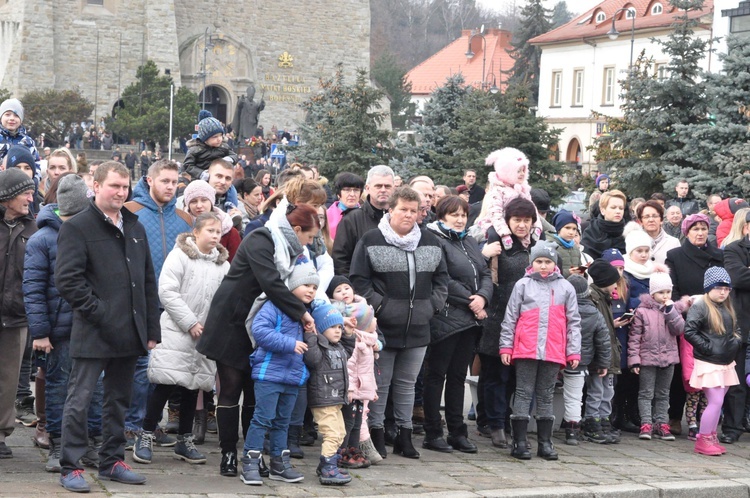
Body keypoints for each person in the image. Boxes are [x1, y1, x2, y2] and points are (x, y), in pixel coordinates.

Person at [55, 161, 161, 492]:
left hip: (130, 331)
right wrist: (99, 312)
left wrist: (152, 328)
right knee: (81, 398)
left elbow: (147, 280)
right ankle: (70, 465)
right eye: (114, 186)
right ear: (96, 186)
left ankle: (112, 460)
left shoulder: (135, 226)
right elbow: (68, 281)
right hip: (94, 330)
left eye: (125, 187)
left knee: (119, 400)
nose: (120, 192)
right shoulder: (78, 227)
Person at [196, 201, 319, 478]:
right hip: (233, 320)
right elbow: (271, 282)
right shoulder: (262, 238)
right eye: (309, 237)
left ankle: (252, 455)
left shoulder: (291, 250)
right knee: (230, 387)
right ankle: (228, 453)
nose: (309, 244)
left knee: (256, 390)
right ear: (296, 229)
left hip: (261, 323)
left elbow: (301, 282)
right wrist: (301, 314)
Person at [350, 186, 449, 459]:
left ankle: (405, 437)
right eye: (402, 209)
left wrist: (432, 306)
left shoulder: (430, 241)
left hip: (419, 326)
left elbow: (442, 280)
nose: (408, 215)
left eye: (413, 210)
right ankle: (377, 434)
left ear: (420, 214)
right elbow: (359, 281)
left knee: (407, 383)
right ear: (390, 210)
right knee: (380, 385)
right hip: (383, 327)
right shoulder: (371, 240)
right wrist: (381, 306)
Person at [133, 212, 229, 466]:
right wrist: (190, 322)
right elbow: (167, 291)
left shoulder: (222, 264)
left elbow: (225, 299)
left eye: (219, 232)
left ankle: (184, 440)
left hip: (205, 336)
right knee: (165, 383)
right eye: (210, 231)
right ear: (196, 232)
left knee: (193, 387)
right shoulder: (180, 256)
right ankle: (145, 434)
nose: (215, 236)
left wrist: (214, 327)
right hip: (177, 331)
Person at [24, 174, 103, 472]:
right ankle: (57, 444)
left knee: (96, 387)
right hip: (58, 331)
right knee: (58, 388)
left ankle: (93, 442)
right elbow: (32, 290)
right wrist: (41, 332)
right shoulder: (42, 240)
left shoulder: (93, 233)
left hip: (91, 326)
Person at [239, 258, 318, 486]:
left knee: (283, 422)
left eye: (314, 287)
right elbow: (260, 331)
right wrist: (289, 343)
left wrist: (311, 332)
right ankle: (251, 464)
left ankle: (278, 464)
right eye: (306, 286)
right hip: (269, 374)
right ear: (291, 286)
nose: (311, 291)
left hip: (293, 376)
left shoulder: (308, 314)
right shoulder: (274, 306)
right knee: (262, 419)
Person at [422, 196, 492, 454]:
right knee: (436, 375)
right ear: (442, 217)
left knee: (458, 377)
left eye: (463, 214)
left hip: (470, 320)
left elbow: (484, 272)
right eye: (454, 215)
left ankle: (457, 432)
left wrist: (483, 296)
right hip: (446, 317)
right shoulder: (434, 240)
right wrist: (471, 300)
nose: (461, 219)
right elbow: (442, 278)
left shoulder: (470, 240)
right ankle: (433, 431)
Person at [500, 241, 581, 461]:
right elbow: (510, 318)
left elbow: (574, 322)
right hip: (526, 348)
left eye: (547, 262)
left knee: (546, 394)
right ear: (531, 263)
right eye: (538, 262)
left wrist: (573, 351)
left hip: (553, 349)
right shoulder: (522, 285)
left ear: (554, 263)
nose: (543, 266)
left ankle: (545, 443)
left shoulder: (565, 287)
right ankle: (520, 441)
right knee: (524, 392)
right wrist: (506, 346)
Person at [476, 198, 537, 448]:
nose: (522, 225)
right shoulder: (497, 244)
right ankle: (495, 423)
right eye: (517, 220)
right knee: (495, 375)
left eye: (527, 220)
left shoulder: (537, 247)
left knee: (514, 377)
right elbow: (479, 273)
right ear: (508, 221)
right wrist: (484, 254)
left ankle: (504, 419)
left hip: (526, 323)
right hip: (497, 319)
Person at [665, 213, 724, 439]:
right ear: (686, 232)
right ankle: (675, 416)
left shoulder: (717, 255)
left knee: (708, 371)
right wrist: (685, 304)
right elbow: (673, 288)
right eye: (695, 229)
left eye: (703, 229)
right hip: (687, 319)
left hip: (713, 320)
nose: (700, 233)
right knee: (684, 371)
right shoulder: (676, 256)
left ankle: (703, 419)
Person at [0, 168, 37, 459]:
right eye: (25, 192)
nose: (30, 197)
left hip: (16, 316)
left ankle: (0, 434)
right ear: (8, 197)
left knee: (9, 379)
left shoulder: (32, 228)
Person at [684, 267, 740, 455]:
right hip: (709, 361)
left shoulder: (727, 306)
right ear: (709, 288)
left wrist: (735, 342)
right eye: (719, 288)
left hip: (725, 360)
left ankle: (711, 435)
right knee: (715, 401)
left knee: (719, 401)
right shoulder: (700, 306)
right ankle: (703, 438)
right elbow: (689, 331)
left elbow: (735, 328)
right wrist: (708, 348)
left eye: (727, 288)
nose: (723, 292)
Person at [628, 271, 689, 441]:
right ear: (652, 293)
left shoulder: (674, 310)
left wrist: (670, 310)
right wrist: (634, 360)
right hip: (648, 358)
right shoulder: (642, 311)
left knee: (663, 393)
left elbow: (679, 329)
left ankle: (662, 423)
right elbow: (634, 337)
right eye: (661, 292)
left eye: (668, 292)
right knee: (646, 393)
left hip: (668, 359)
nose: (665, 296)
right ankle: (646, 423)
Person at [327, 276, 381, 466]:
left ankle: (354, 451)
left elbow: (368, 367)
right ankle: (342, 453)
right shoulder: (337, 320)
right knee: (347, 422)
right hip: (350, 387)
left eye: (347, 288)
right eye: (338, 290)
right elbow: (349, 364)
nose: (344, 293)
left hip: (362, 386)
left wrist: (371, 390)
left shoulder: (364, 311)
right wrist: (348, 388)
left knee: (358, 421)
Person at [304, 303, 353, 485]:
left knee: (340, 432)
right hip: (323, 400)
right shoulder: (319, 345)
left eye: (339, 327)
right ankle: (328, 468)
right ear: (322, 327)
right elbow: (312, 359)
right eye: (333, 327)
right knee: (332, 434)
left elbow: (348, 352)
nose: (338, 331)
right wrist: (311, 335)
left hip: (335, 399)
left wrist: (349, 334)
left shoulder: (338, 347)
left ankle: (327, 463)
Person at [561, 276, 611, 446]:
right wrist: (604, 364)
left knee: (543, 393)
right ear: (587, 292)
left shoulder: (560, 308)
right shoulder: (595, 313)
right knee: (574, 397)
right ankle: (572, 431)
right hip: (580, 361)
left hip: (555, 357)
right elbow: (603, 341)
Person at [584, 259, 626, 445]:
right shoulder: (593, 298)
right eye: (614, 282)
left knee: (607, 391)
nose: (616, 285)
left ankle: (604, 420)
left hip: (608, 353)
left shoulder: (604, 299)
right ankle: (592, 423)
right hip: (599, 355)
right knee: (596, 391)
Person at [474, 148, 542, 250]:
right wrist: (504, 233)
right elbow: (495, 213)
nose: (522, 174)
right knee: (493, 234)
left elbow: (532, 210)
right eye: (518, 171)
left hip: (515, 223)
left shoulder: (522, 189)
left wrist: (537, 226)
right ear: (507, 171)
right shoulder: (497, 191)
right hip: (496, 224)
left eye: (524, 170)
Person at [333, 165, 394, 276]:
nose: (383, 190)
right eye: (378, 186)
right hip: (362, 289)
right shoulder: (351, 220)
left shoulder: (400, 218)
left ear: (394, 188)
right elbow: (340, 261)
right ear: (367, 188)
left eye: (387, 186)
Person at [183, 112, 238, 181]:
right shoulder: (195, 150)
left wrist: (230, 159)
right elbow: (188, 165)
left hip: (221, 179)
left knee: (232, 191)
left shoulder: (224, 146)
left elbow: (234, 155)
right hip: (202, 181)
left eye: (221, 135)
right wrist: (201, 173)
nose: (219, 139)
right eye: (215, 137)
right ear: (205, 139)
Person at [0, 98, 41, 181]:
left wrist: (35, 181)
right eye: (7, 114)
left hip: (24, 184)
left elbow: (36, 163)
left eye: (16, 115)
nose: (12, 118)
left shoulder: (28, 141)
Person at [581, 190, 627, 258]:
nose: (618, 211)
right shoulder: (591, 232)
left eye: (621, 208)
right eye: (613, 207)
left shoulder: (628, 234)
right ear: (603, 210)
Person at [633, 200, 680, 265]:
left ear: (661, 220)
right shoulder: (634, 241)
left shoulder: (674, 243)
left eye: (655, 216)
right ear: (641, 221)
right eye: (646, 217)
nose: (651, 220)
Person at [327, 172, 364, 240]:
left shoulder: (366, 214)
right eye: (347, 190)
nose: (352, 194)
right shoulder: (327, 216)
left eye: (356, 190)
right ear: (338, 193)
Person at [551, 209, 582, 277]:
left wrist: (582, 273)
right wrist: (567, 272)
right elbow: (548, 271)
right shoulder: (551, 247)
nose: (571, 232)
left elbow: (579, 265)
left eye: (574, 229)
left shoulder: (575, 248)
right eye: (567, 228)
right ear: (559, 229)